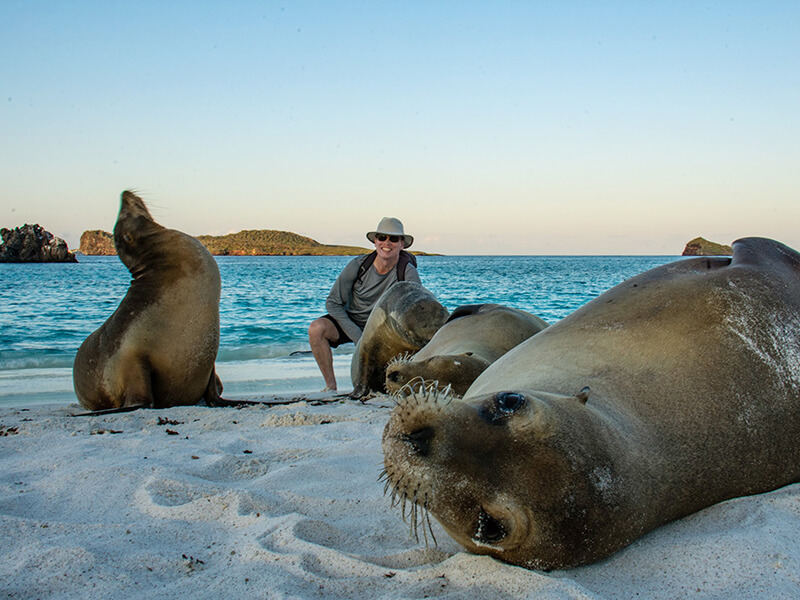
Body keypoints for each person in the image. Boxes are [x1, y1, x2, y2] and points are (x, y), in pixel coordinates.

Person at [308, 217, 421, 391]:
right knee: (316, 329)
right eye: (382, 237)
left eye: (393, 239)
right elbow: (333, 303)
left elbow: (417, 309)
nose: (387, 243)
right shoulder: (358, 266)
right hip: (352, 323)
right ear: (375, 241)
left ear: (402, 244)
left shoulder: (407, 272)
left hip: (384, 329)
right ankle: (330, 387)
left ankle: (405, 384)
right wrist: (358, 337)